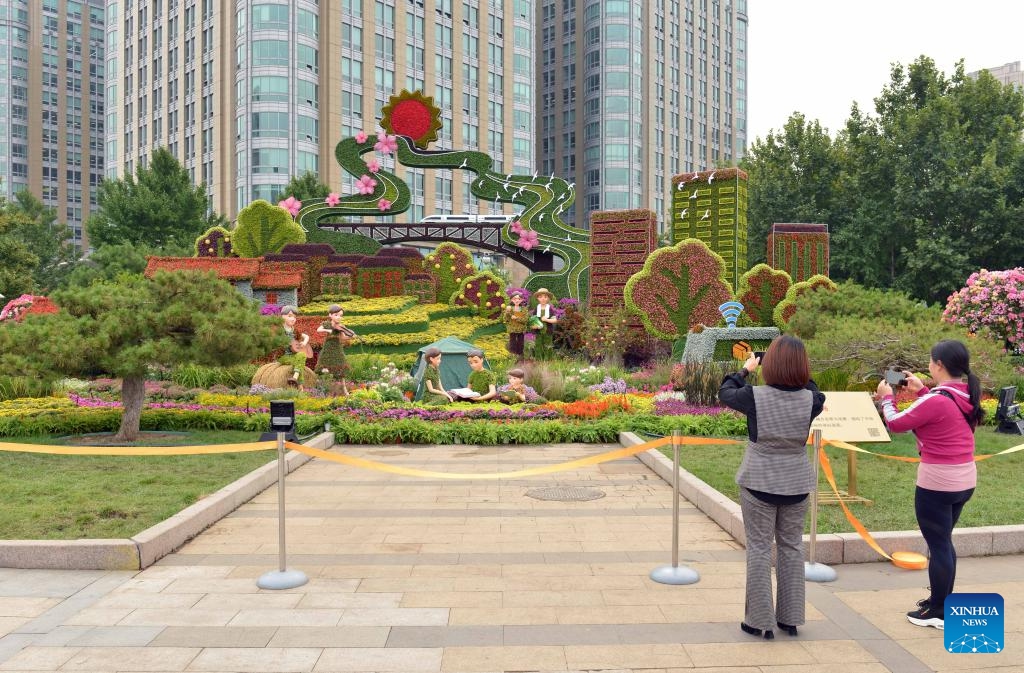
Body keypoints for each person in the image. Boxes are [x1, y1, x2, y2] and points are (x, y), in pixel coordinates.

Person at [718, 336, 826, 640]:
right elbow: (814, 390)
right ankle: (790, 619)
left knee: (760, 548)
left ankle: (759, 621)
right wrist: (802, 375)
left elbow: (725, 391)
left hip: (759, 481)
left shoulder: (754, 396)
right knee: (791, 547)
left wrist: (746, 369)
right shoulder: (812, 400)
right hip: (796, 482)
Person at [876, 339, 983, 630]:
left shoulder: (937, 399)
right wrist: (921, 390)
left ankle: (938, 611)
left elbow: (896, 423)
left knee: (939, 544)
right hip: (964, 479)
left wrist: (887, 397)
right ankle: (941, 601)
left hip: (938, 482)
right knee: (944, 542)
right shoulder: (966, 394)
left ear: (939, 365)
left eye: (930, 361)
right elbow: (944, 413)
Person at [315, 304, 353, 395]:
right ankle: (322, 389)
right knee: (324, 367)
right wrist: (328, 330)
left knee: (341, 367)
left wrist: (351, 337)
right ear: (330, 315)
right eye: (336, 315)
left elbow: (343, 338)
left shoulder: (341, 326)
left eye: (340, 315)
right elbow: (318, 329)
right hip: (328, 348)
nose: (339, 317)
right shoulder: (327, 324)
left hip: (337, 348)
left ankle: (344, 390)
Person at [278, 305, 311, 387]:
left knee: (302, 355)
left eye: (294, 317)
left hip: (294, 355)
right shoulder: (279, 329)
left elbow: (306, 336)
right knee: (300, 364)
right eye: (289, 316)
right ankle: (300, 386)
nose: (293, 319)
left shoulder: (294, 330)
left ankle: (295, 377)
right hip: (284, 356)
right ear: (282, 316)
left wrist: (304, 343)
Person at [502, 289, 530, 357]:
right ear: (511, 300)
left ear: (522, 300)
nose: (517, 300)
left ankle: (520, 356)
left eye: (519, 299)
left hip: (521, 330)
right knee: (513, 343)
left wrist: (517, 318)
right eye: (515, 299)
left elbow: (525, 320)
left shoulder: (524, 309)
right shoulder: (510, 309)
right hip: (512, 329)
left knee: (520, 343)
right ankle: (513, 356)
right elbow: (505, 319)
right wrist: (507, 312)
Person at [531, 287, 558, 359]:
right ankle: (539, 360)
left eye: (545, 297)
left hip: (548, 331)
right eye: (540, 297)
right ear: (537, 298)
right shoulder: (537, 309)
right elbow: (533, 320)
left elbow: (555, 320)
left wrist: (546, 319)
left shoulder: (550, 309)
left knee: (548, 345)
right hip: (539, 331)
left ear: (548, 298)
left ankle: (548, 360)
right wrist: (534, 325)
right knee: (538, 345)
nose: (543, 299)